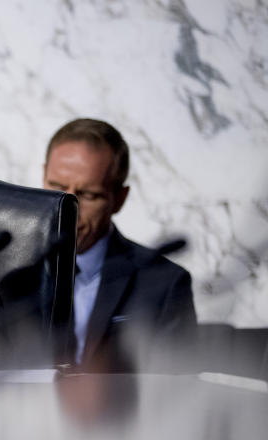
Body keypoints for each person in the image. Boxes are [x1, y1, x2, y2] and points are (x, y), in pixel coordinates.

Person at [43, 118, 197, 370]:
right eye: (56, 186)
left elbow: (177, 394)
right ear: (43, 176)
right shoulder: (5, 270)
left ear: (119, 199)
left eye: (88, 195)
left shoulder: (165, 284)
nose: (67, 208)